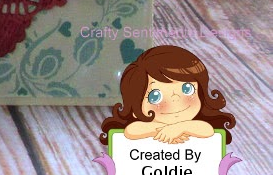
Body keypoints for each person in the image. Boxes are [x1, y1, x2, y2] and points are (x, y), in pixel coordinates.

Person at [99, 45, 236, 145]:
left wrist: (179, 127)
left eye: (187, 89)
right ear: (135, 109)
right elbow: (131, 131)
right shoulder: (138, 125)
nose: (175, 99)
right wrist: (164, 129)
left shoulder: (200, 125)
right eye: (155, 96)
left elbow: (207, 129)